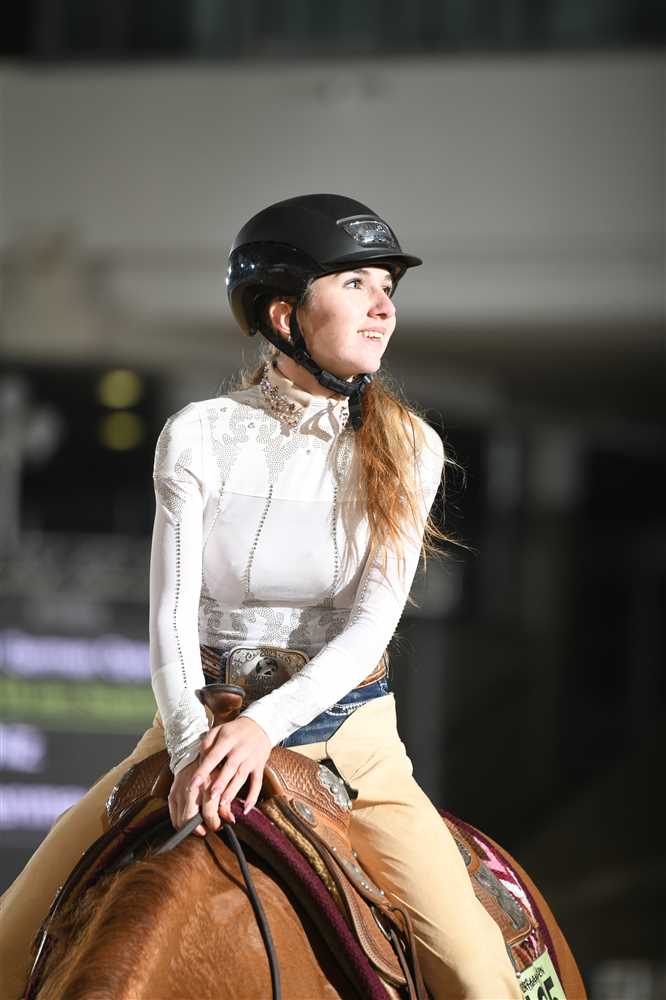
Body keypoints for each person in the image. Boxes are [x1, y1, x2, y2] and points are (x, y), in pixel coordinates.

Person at [0, 194, 521, 999]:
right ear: (284, 314)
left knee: (480, 973)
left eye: (387, 288)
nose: (383, 307)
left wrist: (260, 729)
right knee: (9, 939)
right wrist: (189, 748)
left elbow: (370, 626)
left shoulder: (411, 444)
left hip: (349, 747)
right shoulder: (198, 433)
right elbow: (172, 612)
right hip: (194, 728)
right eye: (356, 284)